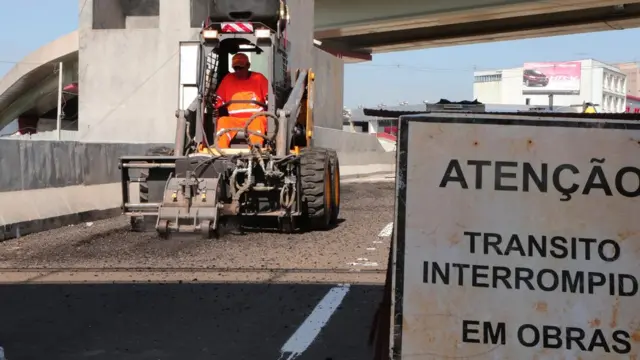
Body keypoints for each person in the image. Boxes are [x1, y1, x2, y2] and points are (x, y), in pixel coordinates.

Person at [213, 53, 269, 148]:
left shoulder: (259, 79)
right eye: (235, 68)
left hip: (254, 118)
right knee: (222, 121)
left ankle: (255, 151)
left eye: (240, 68)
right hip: (234, 120)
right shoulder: (228, 79)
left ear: (248, 66)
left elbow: (269, 98)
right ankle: (221, 152)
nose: (238, 71)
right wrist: (214, 105)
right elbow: (219, 99)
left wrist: (268, 100)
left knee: (259, 122)